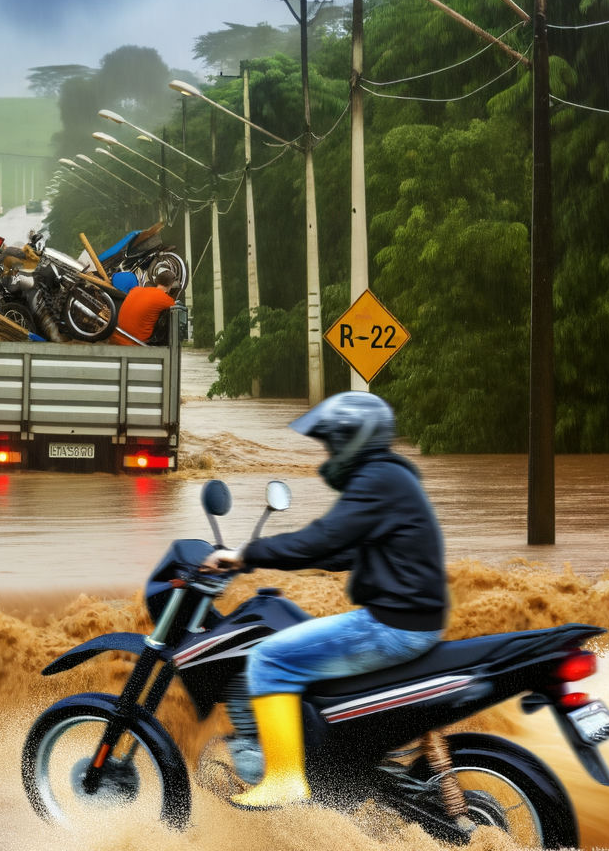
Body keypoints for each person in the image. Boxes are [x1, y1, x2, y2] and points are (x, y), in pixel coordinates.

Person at [199, 392, 447, 809]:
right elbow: (341, 551)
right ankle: (326, 762)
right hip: (411, 619)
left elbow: (325, 537)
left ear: (354, 439)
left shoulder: (378, 479)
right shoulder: (392, 478)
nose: (329, 450)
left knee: (269, 659)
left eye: (333, 441)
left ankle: (283, 778)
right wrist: (259, 560)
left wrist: (247, 554)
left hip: (393, 625)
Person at [111, 265, 180, 345]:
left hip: (116, 336)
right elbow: (177, 310)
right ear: (170, 285)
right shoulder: (165, 299)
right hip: (136, 343)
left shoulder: (135, 289)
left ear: (156, 281)